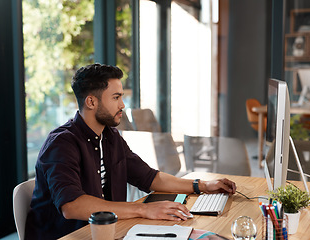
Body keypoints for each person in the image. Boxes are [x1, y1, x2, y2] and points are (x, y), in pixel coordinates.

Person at [25, 63, 237, 239]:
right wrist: (144, 209)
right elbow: (71, 206)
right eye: (116, 97)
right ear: (91, 101)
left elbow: (149, 177)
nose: (123, 105)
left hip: (111, 233)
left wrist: (202, 185)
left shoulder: (110, 137)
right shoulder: (61, 144)